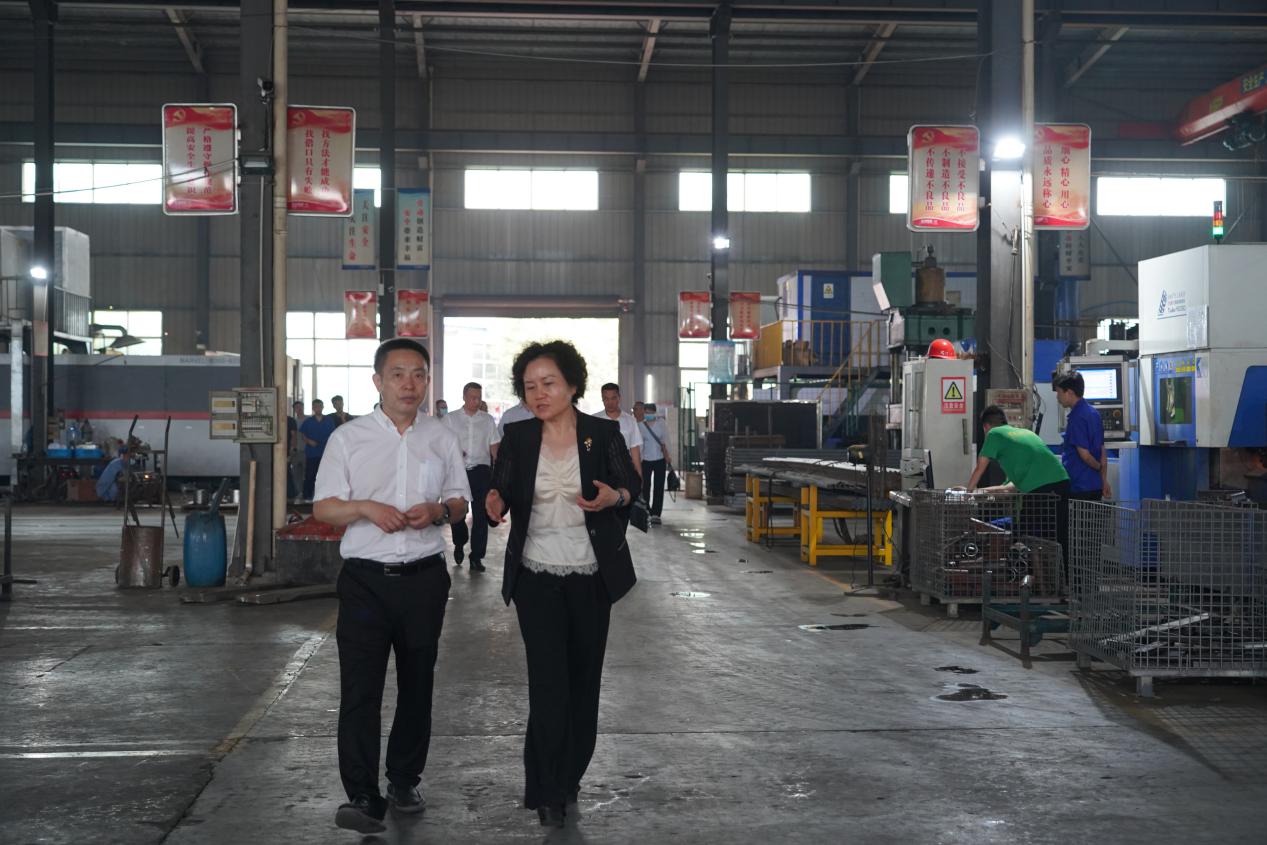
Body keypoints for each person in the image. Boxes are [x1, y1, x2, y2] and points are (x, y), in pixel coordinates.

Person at [313, 338, 471, 835]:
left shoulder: (441, 437)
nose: (409, 384)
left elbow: (460, 502)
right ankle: (362, 795)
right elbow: (324, 507)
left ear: (427, 382)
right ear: (378, 381)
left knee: (417, 683)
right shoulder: (349, 439)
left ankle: (403, 780)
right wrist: (365, 508)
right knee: (361, 689)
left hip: (423, 580)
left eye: (418, 374)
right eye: (398, 374)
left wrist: (439, 511)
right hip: (365, 582)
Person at [486, 341, 639, 829]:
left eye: (548, 383)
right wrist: (494, 501)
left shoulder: (602, 434)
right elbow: (500, 487)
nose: (539, 394)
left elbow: (630, 488)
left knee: (582, 683)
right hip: (535, 576)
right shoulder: (517, 436)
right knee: (548, 682)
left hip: (592, 577)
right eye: (529, 386)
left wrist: (616, 496)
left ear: (573, 385)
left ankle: (570, 774)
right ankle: (545, 788)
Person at [967, 405, 1072, 580]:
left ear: (986, 427)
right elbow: (1010, 488)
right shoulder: (1025, 434)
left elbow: (980, 468)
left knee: (1024, 535)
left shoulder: (994, 434)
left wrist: (967, 493)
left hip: (1039, 490)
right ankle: (1065, 583)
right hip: (1062, 482)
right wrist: (978, 492)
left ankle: (1027, 582)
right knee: (1058, 536)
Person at [444, 381, 500, 571]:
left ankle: (477, 556)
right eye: (472, 398)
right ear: (464, 397)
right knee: (457, 512)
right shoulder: (450, 419)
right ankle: (459, 543)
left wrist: (499, 472)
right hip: (457, 471)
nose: (476, 401)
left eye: (479, 398)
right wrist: (453, 453)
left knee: (481, 515)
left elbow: (494, 446)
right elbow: (441, 444)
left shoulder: (487, 420)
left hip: (481, 472)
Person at [1055, 372, 1110, 502]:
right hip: (1095, 485)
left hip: (1079, 486)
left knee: (1076, 516)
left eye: (1059, 392)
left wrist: (1098, 468)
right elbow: (1102, 451)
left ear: (1069, 393)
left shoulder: (1076, 417)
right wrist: (1103, 480)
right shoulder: (1094, 413)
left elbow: (1084, 455)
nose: (1057, 397)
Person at [593, 382, 642, 477]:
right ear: (602, 399)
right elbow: (589, 446)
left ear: (619, 398)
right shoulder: (595, 420)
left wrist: (639, 475)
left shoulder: (630, 420)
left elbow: (635, 450)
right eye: (606, 399)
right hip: (602, 470)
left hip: (625, 469)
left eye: (613, 398)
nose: (610, 403)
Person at [636, 401, 672, 525]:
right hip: (645, 460)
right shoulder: (640, 425)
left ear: (655, 412)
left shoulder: (661, 424)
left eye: (650, 412)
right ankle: (646, 511)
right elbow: (639, 445)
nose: (648, 415)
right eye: (646, 412)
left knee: (659, 486)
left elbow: (666, 440)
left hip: (659, 459)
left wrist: (668, 456)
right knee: (645, 487)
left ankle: (656, 514)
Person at [300, 399, 337, 500]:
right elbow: (303, 435)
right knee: (310, 475)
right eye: (316, 406)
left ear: (323, 407)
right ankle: (307, 496)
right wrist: (309, 441)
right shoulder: (308, 421)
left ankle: (325, 497)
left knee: (326, 475)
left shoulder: (329, 420)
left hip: (326, 453)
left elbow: (333, 435)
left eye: (320, 406)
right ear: (313, 408)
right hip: (312, 453)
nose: (318, 408)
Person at [287, 400, 304, 501]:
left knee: (307, 475)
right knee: (295, 474)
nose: (299, 409)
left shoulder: (309, 420)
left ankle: (307, 494)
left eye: (300, 407)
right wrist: (292, 450)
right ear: (294, 410)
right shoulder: (293, 421)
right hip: (295, 452)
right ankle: (298, 493)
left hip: (306, 451)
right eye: (297, 408)